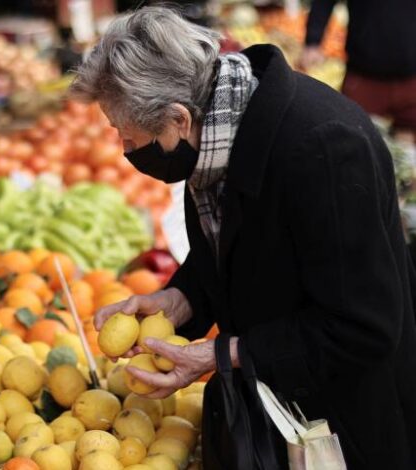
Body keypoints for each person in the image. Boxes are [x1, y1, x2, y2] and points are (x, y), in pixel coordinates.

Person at [72, 6, 416, 469]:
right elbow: (243, 249)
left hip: (344, 427)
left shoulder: (323, 150)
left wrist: (222, 354)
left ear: (177, 119)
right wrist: (182, 299)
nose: (126, 150)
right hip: (280, 410)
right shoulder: (217, 131)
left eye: (127, 136)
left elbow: (362, 326)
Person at [299, 0, 416, 135]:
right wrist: (313, 40)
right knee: (353, 140)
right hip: (364, 77)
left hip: (411, 80)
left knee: (408, 143)